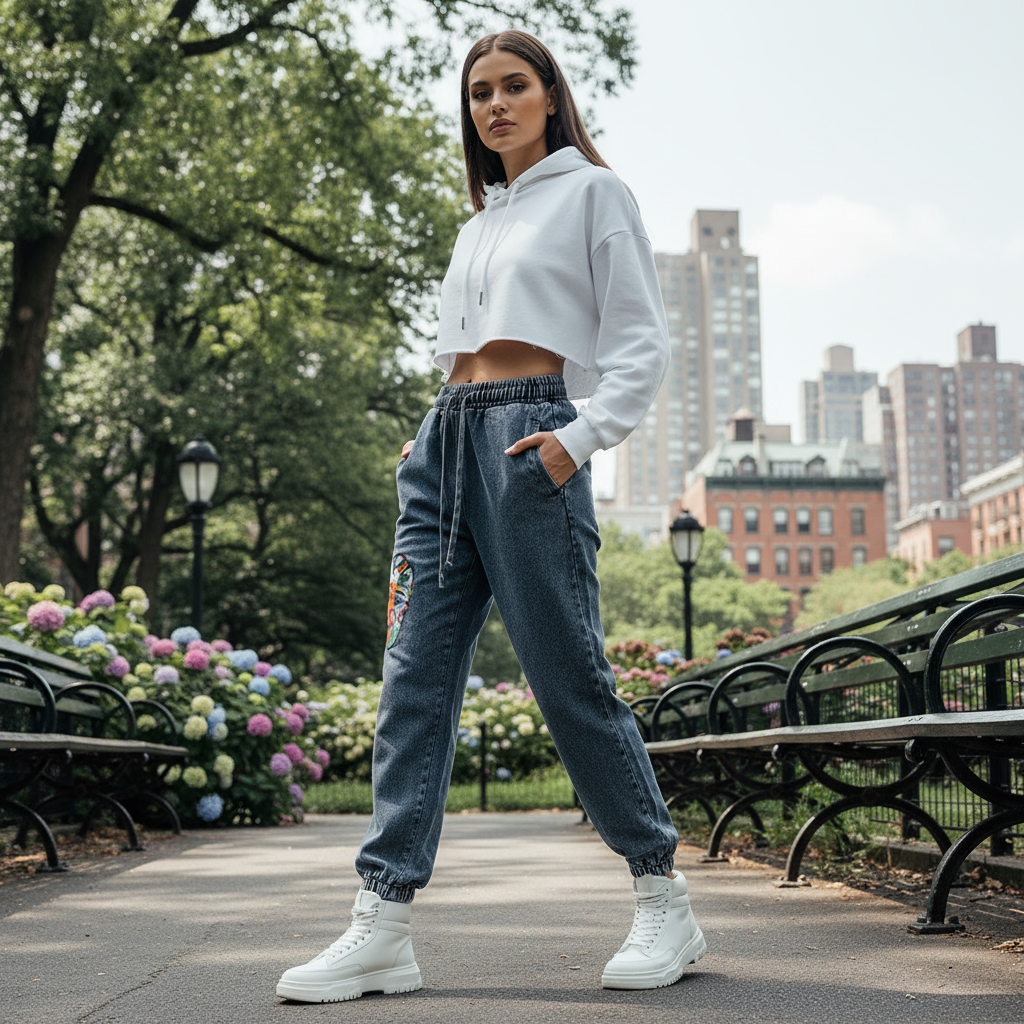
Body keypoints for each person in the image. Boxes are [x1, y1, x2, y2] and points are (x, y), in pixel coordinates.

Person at [276, 29, 705, 1004]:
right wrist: (424, 438)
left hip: (528, 444)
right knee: (412, 681)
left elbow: (640, 343)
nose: (495, 104)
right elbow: (460, 357)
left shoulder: (596, 193)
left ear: (551, 96)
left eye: (515, 86)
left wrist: (577, 438)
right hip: (440, 447)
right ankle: (380, 923)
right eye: (479, 92)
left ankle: (661, 893)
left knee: (568, 677)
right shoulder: (480, 223)